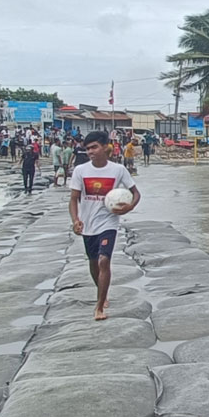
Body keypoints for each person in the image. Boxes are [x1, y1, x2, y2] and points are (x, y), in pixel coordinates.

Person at [69, 131, 140, 320]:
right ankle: (102, 293)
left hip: (109, 223)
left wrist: (129, 207)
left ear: (105, 147)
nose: (90, 152)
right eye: (88, 149)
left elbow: (136, 193)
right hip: (88, 224)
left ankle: (99, 307)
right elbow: (74, 199)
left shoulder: (118, 170)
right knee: (93, 262)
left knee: (103, 260)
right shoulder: (80, 171)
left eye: (94, 147)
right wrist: (75, 220)